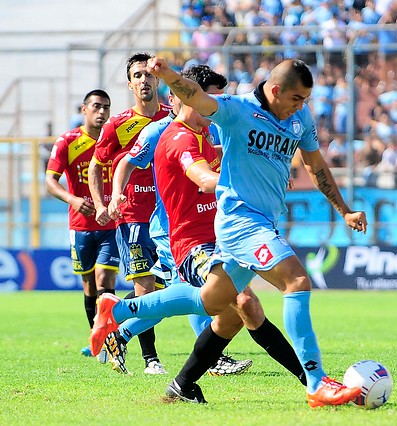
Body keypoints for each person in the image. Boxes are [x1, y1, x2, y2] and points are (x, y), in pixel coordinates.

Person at [90, 57, 367, 407]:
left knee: (213, 303)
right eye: (296, 99)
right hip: (237, 223)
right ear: (276, 90)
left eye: (305, 101)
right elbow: (198, 100)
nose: (301, 107)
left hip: (254, 224)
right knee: (296, 281)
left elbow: (315, 165)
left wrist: (344, 210)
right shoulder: (233, 112)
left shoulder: (299, 118)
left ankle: (119, 315)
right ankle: (315, 382)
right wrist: (167, 75)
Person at [105, 66, 302, 383]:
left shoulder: (206, 132)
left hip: (217, 234)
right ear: (184, 97)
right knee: (223, 301)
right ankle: (130, 327)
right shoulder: (165, 133)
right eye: (208, 97)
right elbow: (129, 161)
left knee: (222, 304)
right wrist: (115, 196)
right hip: (174, 233)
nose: (214, 105)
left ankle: (131, 335)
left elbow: (225, 157)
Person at [87, 52, 172, 374]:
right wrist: (100, 204)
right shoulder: (118, 125)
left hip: (169, 217)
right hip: (133, 216)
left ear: (158, 79)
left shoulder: (172, 118)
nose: (144, 80)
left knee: (171, 287)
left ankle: (113, 315)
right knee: (146, 288)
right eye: (138, 75)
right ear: (130, 84)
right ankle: (151, 360)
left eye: (149, 74)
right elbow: (97, 166)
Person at [45, 89, 118, 359]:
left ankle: (110, 342)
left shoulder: (115, 139)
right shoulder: (68, 141)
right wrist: (72, 199)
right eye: (96, 106)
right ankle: (96, 337)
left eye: (106, 107)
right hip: (81, 225)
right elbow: (50, 181)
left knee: (105, 279)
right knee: (89, 285)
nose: (102, 112)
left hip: (111, 223)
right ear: (83, 110)